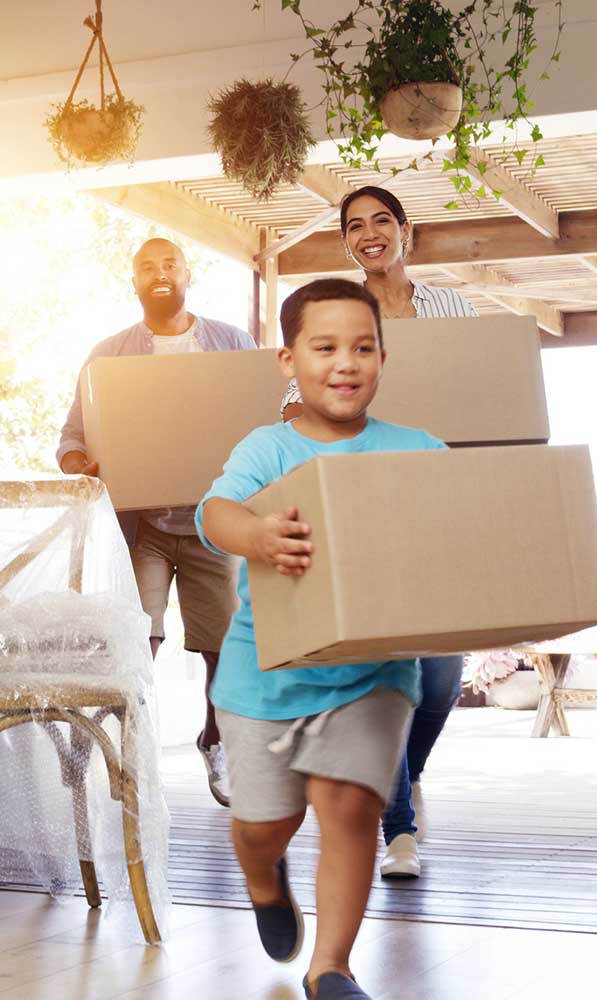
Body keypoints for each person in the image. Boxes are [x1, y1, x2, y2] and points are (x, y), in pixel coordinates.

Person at [196, 278, 446, 1000]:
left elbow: (459, 518)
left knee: (349, 805)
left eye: (363, 348)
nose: (346, 363)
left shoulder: (417, 449)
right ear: (287, 360)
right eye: (326, 347)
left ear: (382, 357)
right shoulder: (268, 449)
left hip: (374, 670)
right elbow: (217, 513)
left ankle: (329, 967)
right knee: (264, 825)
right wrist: (258, 536)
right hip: (265, 672)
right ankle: (262, 877)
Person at [281, 186, 477, 879]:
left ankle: (406, 775)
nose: (370, 234)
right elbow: (303, 394)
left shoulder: (451, 307)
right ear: (347, 240)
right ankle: (399, 832)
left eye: (382, 221)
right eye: (355, 226)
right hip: (363, 503)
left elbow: (477, 391)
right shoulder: (338, 311)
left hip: (434, 499)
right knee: (390, 670)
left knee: (444, 673)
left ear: (405, 231)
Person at [57, 237, 256, 806]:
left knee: (223, 649)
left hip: (212, 522)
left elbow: (264, 419)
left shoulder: (231, 344)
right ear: (135, 281)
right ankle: (119, 748)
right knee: (136, 643)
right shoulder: (108, 354)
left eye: (170, 264)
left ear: (188, 274)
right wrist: (81, 464)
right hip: (143, 527)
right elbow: (73, 436)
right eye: (148, 266)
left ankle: (215, 740)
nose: (160, 273)